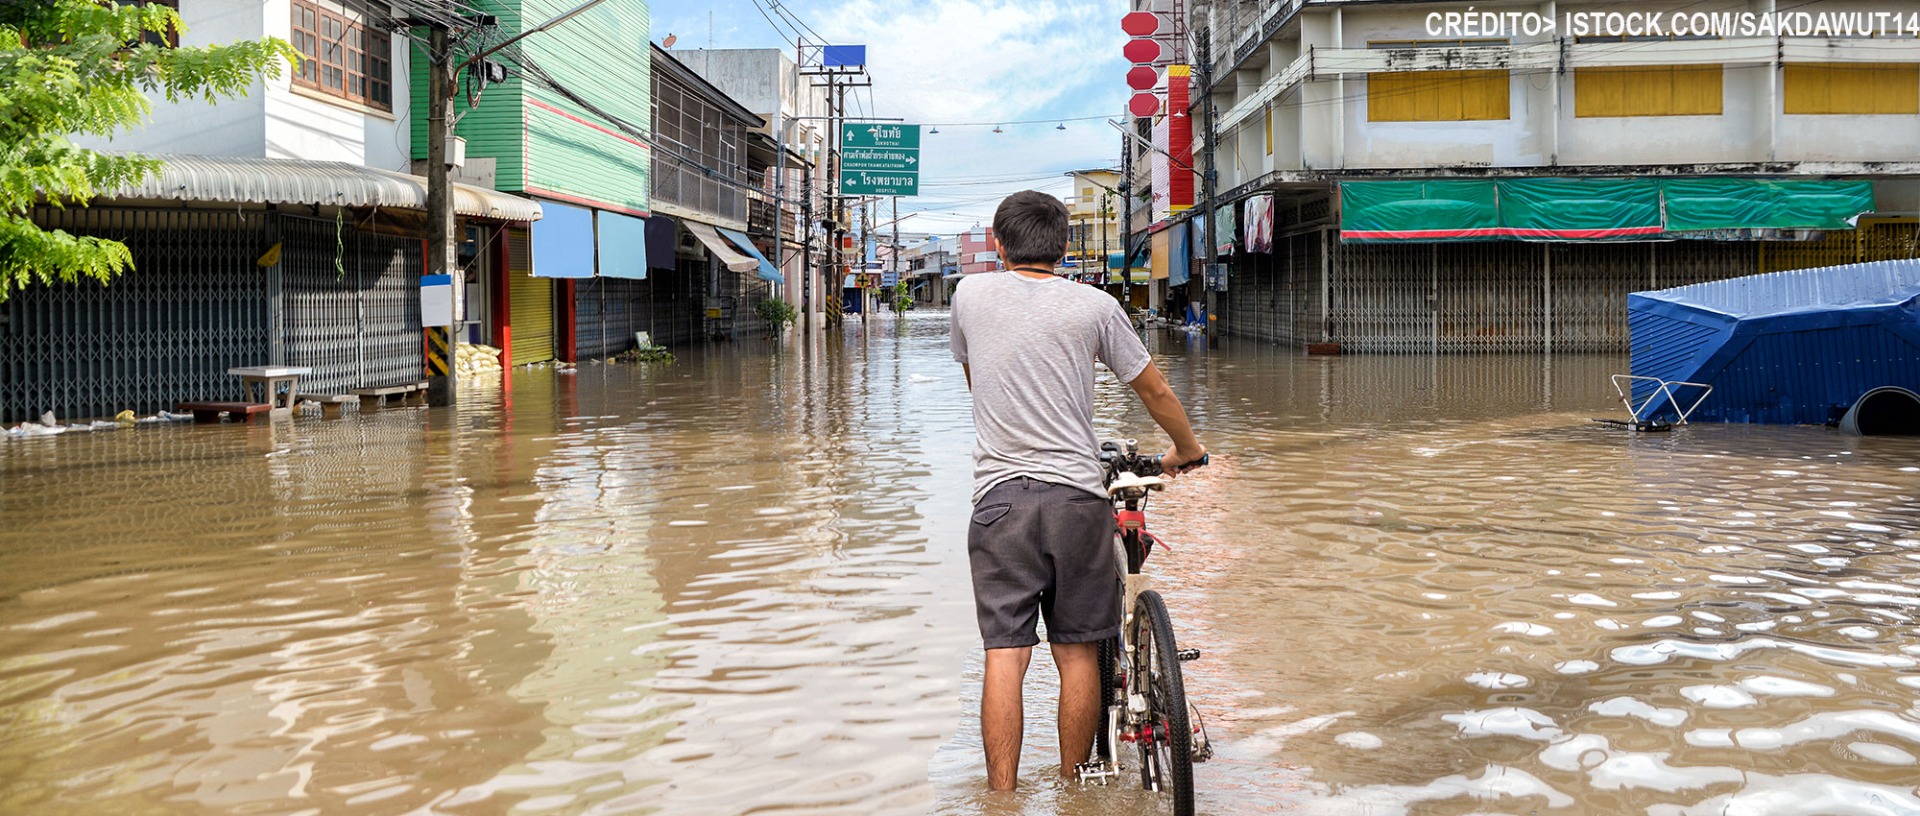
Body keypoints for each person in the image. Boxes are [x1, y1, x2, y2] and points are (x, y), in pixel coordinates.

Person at [948, 190, 1207, 791]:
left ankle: (1002, 799)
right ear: (1065, 246)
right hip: (1075, 501)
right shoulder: (1095, 305)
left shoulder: (968, 295)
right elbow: (1156, 391)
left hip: (999, 503)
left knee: (1005, 656)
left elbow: (974, 378)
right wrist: (1187, 450)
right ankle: (1073, 789)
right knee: (1078, 652)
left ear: (997, 240)